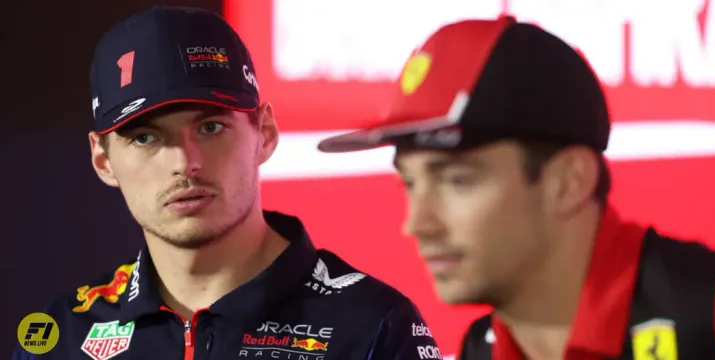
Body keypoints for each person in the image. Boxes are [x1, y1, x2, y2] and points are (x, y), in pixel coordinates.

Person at [12, 6, 441, 360]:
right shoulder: (59, 337)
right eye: (145, 137)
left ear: (265, 133)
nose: (185, 162)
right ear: (103, 160)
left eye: (211, 128)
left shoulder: (375, 326)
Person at [317, 16, 715, 360]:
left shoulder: (708, 315)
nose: (418, 224)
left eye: (458, 180)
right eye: (410, 182)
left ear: (569, 182)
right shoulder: (481, 348)